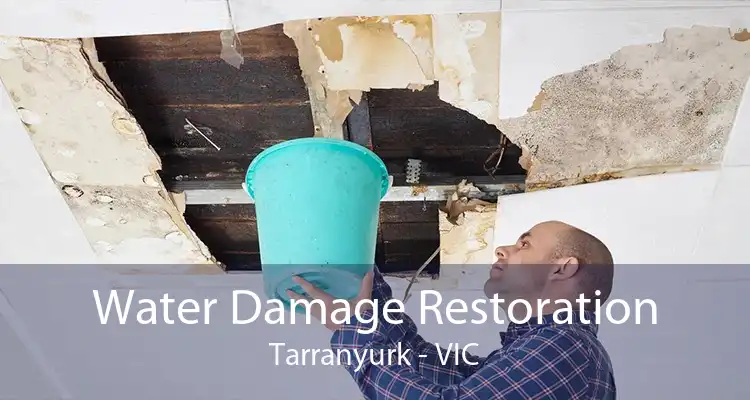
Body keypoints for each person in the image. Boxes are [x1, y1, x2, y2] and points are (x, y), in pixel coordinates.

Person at [288, 220, 617, 399]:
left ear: (562, 268)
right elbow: (416, 358)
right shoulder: (542, 349)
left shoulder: (566, 346)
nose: (502, 249)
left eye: (525, 244)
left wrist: (355, 331)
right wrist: (359, 267)